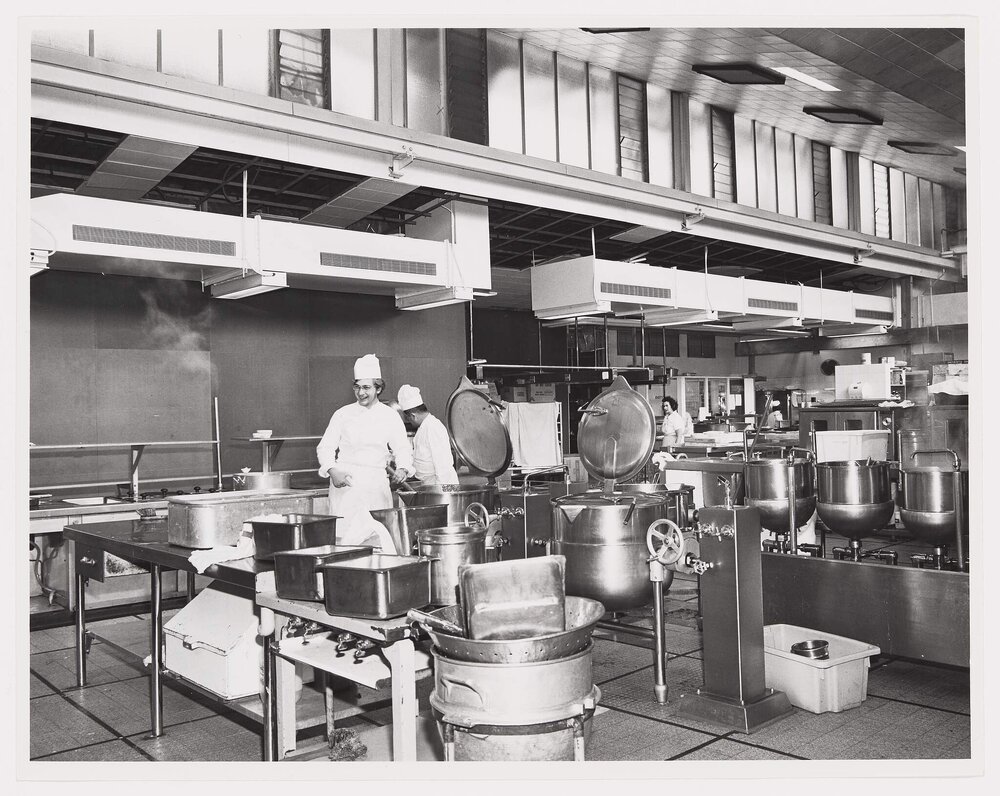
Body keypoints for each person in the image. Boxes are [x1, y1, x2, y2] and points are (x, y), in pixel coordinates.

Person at [316, 354, 414, 546]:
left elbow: (403, 448)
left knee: (378, 543)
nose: (361, 392)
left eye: (366, 387)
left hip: (376, 488)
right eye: (357, 387)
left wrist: (403, 468)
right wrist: (332, 470)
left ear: (378, 388)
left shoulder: (390, 416)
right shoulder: (342, 414)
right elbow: (325, 447)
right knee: (345, 545)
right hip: (347, 489)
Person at [397, 384, 459, 486]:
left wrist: (441, 494)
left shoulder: (433, 427)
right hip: (429, 485)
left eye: (408, 419)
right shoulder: (423, 428)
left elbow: (443, 466)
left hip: (442, 486)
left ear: (413, 416)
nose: (410, 423)